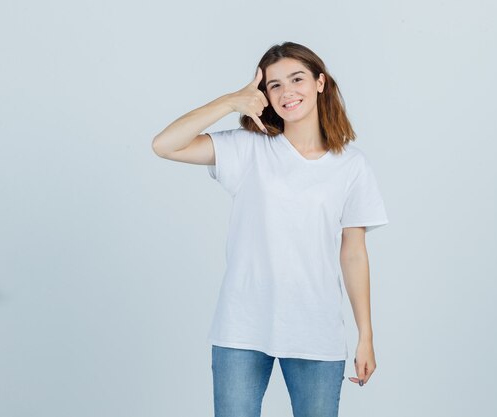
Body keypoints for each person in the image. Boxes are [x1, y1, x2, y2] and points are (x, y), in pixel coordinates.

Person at [152, 41, 389, 417]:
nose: (286, 92)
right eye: (274, 85)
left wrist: (366, 336)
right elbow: (164, 145)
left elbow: (354, 252)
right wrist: (230, 101)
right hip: (242, 325)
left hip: (316, 327)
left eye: (296, 79)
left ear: (320, 83)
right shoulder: (248, 149)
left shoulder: (351, 166)